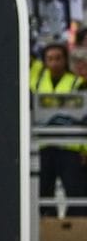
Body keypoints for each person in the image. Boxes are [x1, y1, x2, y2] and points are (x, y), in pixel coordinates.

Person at [32, 42, 87, 216]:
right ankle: (48, 230)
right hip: (44, 147)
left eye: (58, 58)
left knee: (76, 194)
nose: (54, 63)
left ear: (65, 60)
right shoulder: (37, 82)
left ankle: (73, 235)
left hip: (71, 148)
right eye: (50, 59)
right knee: (44, 193)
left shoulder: (78, 83)